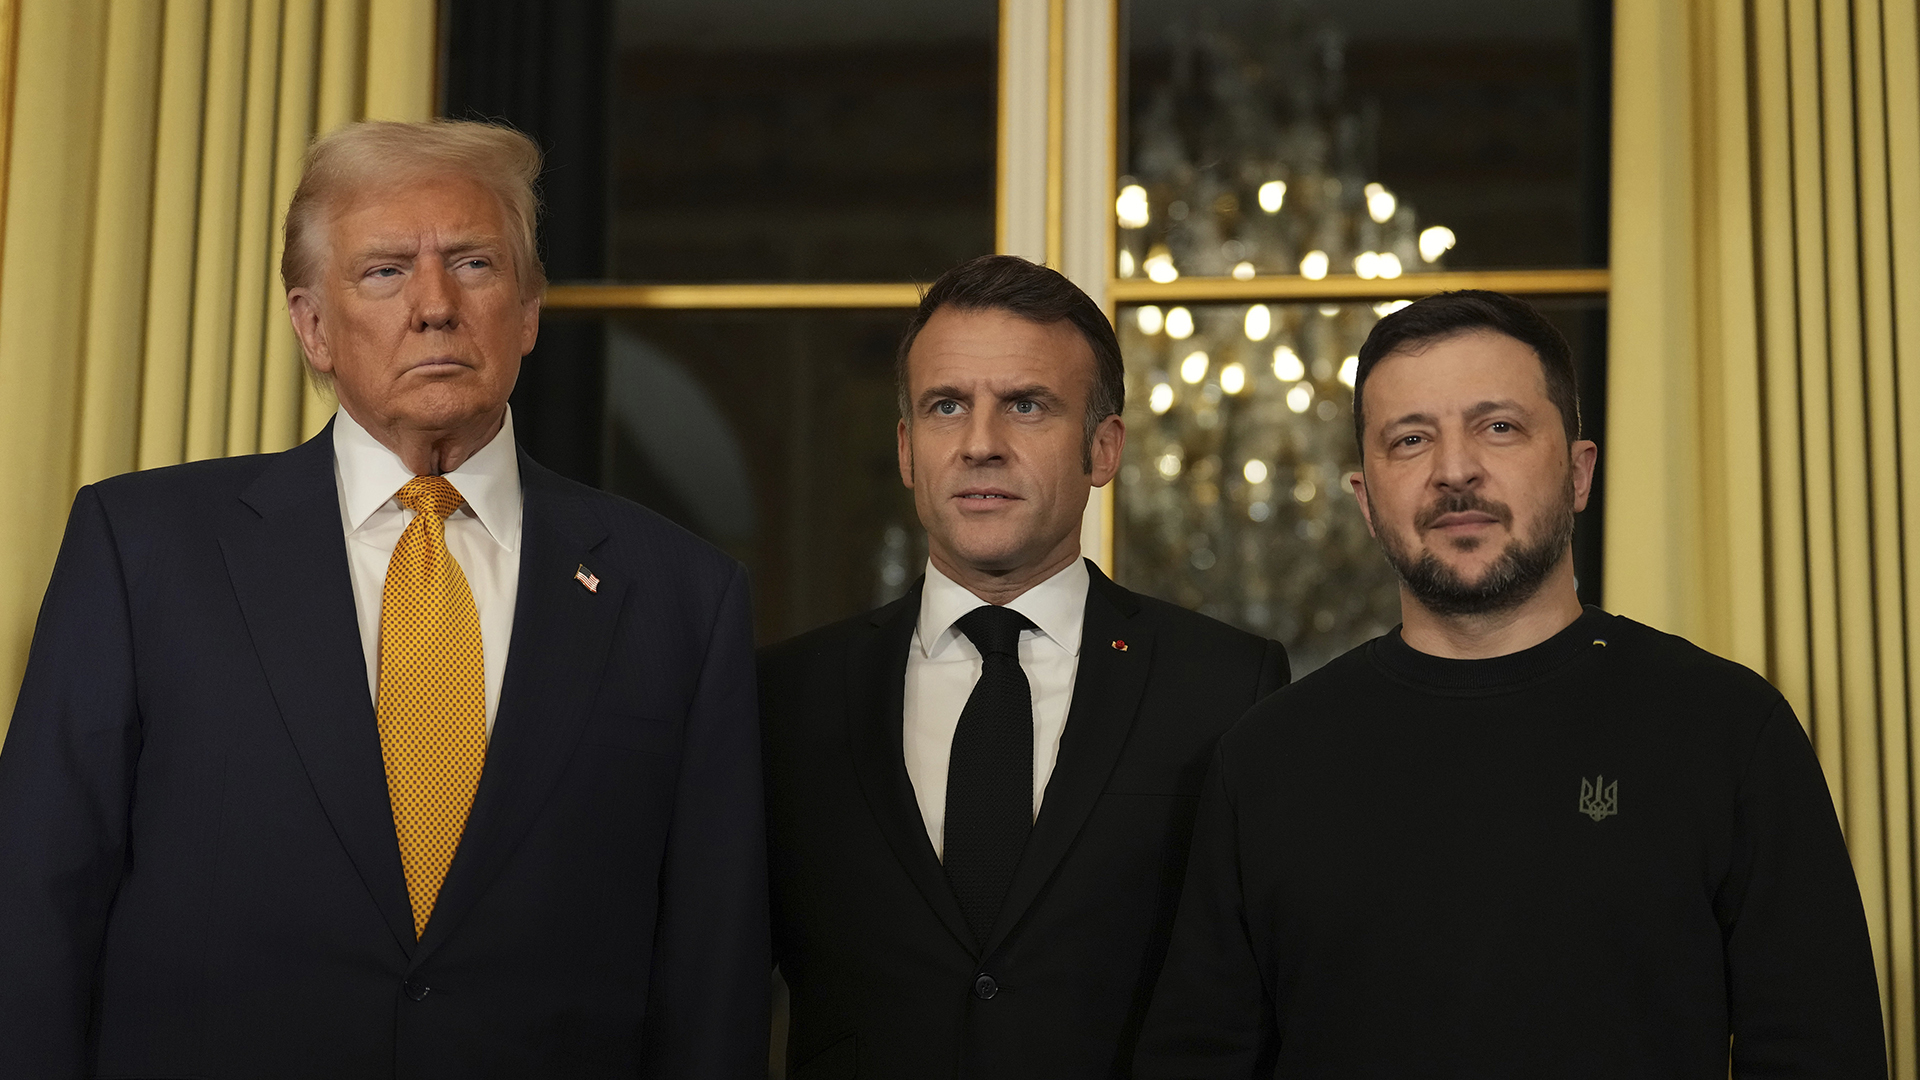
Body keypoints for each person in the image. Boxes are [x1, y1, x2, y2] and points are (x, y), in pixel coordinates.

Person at [0, 120, 768, 1079]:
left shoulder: (682, 596)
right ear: (313, 325)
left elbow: (712, 969)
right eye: (385, 272)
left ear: (528, 312)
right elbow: (34, 909)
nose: (435, 306)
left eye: (475, 263)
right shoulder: (143, 549)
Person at [1134, 290, 1887, 1077]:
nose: (1455, 470)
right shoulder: (1266, 760)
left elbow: (1822, 1051)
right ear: (1365, 499)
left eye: (1499, 427)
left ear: (1579, 471)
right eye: (1410, 439)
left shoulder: (1728, 730)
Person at [760, 254, 1290, 1079]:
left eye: (1026, 406)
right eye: (946, 406)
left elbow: (1256, 999)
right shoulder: (785, 698)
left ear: (1103, 448)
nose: (980, 445)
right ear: (907, 449)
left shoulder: (1224, 685)